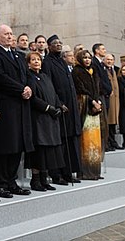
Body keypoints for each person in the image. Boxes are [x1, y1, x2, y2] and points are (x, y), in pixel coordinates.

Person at [0, 24, 34, 198]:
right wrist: (21, 88)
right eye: (6, 34)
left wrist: (29, 88)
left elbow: (27, 75)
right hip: (5, 105)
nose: (9, 36)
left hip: (21, 105)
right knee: (5, 146)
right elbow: (0, 77)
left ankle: (12, 182)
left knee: (18, 145)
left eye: (11, 34)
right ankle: (1, 184)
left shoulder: (18, 55)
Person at [42, 35, 81, 183]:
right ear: (49, 46)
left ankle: (68, 172)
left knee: (70, 141)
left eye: (60, 43)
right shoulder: (47, 63)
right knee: (61, 142)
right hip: (60, 108)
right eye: (55, 43)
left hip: (71, 107)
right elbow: (49, 85)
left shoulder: (63, 62)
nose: (58, 45)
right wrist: (58, 103)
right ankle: (56, 174)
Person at [25, 51, 64, 191]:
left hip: (51, 118)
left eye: (38, 59)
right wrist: (48, 108)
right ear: (28, 63)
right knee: (39, 150)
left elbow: (53, 93)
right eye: (33, 60)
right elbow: (33, 98)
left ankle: (44, 178)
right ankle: (35, 180)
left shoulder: (45, 76)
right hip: (39, 118)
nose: (37, 62)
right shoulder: (29, 77)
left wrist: (58, 106)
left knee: (48, 150)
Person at [71, 50, 103, 180]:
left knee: (95, 141)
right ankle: (85, 172)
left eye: (89, 58)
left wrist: (98, 100)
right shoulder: (76, 71)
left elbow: (97, 88)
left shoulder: (94, 70)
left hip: (95, 108)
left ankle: (95, 171)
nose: (87, 60)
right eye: (84, 58)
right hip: (85, 108)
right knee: (86, 140)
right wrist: (92, 101)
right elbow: (80, 89)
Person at [103, 53, 120, 150]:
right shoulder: (104, 70)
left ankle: (113, 141)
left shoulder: (114, 70)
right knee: (109, 121)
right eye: (107, 59)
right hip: (108, 99)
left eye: (111, 60)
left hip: (116, 100)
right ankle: (109, 142)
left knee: (114, 122)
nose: (109, 61)